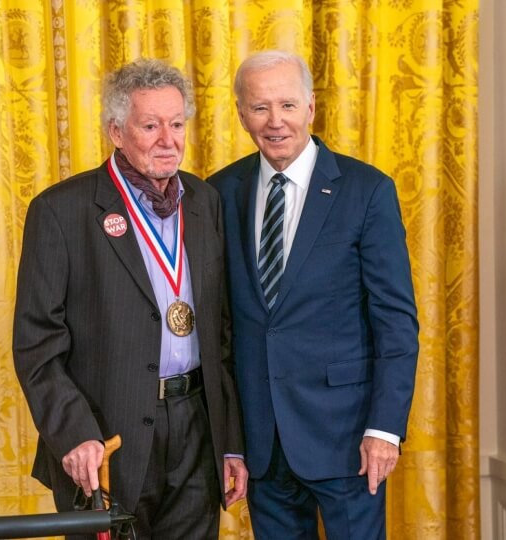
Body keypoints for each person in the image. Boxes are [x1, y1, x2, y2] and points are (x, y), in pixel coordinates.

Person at [13, 58, 247, 540]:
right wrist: (74, 433)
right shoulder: (61, 211)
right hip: (105, 437)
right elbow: (37, 345)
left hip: (196, 430)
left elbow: (221, 331)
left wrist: (230, 441)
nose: (169, 139)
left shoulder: (205, 202)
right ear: (117, 131)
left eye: (177, 123)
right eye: (151, 125)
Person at [207, 50, 419, 540]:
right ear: (241, 114)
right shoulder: (219, 193)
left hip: (348, 438)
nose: (275, 121)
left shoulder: (366, 190)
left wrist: (385, 428)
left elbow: (396, 321)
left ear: (310, 107)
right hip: (263, 441)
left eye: (287, 105)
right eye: (260, 108)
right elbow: (220, 324)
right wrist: (230, 440)